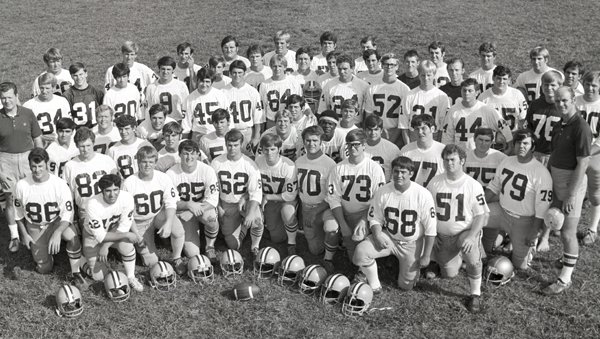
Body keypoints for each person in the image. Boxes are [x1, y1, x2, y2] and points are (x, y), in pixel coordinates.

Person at [353, 156, 436, 292]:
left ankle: (409, 269)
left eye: (403, 172)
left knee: (405, 286)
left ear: (411, 173)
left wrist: (426, 255)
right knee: (361, 252)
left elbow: (431, 229)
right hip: (389, 237)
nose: (399, 175)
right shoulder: (383, 191)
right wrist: (377, 235)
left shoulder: (423, 194)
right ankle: (374, 285)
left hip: (411, 243)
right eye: (396, 171)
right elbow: (375, 218)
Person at [427, 144, 489, 313]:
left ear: (462, 161)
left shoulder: (472, 184)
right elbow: (427, 212)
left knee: (471, 252)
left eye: (453, 159)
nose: (449, 163)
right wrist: (432, 237)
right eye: (446, 160)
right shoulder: (435, 181)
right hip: (443, 236)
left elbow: (481, 215)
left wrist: (471, 236)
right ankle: (457, 257)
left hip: (464, 232)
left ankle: (475, 293)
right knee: (449, 274)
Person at [543, 86, 592, 295]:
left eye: (564, 100)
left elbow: (583, 163)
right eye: (557, 102)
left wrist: (571, 194)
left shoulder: (581, 127)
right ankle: (566, 260)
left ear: (573, 100)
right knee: (558, 225)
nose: (561, 105)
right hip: (556, 180)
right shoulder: (561, 123)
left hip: (571, 183)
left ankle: (565, 279)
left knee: (567, 232)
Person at [14, 148, 85, 286]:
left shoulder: (59, 184)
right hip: (35, 225)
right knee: (44, 269)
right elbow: (18, 214)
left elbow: (67, 213)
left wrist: (58, 232)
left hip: (56, 222)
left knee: (73, 238)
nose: (37, 170)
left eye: (40, 166)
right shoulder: (21, 185)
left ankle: (76, 271)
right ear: (29, 165)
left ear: (47, 164)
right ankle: (46, 252)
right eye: (33, 166)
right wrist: (24, 234)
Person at [485, 129, 552, 268]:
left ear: (533, 146)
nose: (521, 146)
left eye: (526, 143)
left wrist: (534, 231)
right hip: (501, 211)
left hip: (524, 220)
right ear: (514, 144)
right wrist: (478, 207)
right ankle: (497, 238)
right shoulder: (506, 161)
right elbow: (494, 187)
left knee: (520, 265)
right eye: (518, 143)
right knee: (472, 218)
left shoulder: (541, 172)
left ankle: (526, 250)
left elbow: (542, 207)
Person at [325, 129, 385, 264]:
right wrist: (343, 224)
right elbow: (334, 199)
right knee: (330, 228)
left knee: (358, 250)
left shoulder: (374, 168)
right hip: (343, 211)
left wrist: (364, 220)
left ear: (364, 145)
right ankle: (329, 257)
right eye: (350, 144)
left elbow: (378, 200)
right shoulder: (338, 168)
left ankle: (363, 267)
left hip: (366, 213)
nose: (353, 147)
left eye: (357, 144)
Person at [123, 146, 186, 273]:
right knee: (151, 262)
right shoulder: (129, 182)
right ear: (138, 162)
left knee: (177, 229)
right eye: (144, 162)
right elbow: (126, 214)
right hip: (138, 221)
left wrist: (168, 224)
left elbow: (171, 202)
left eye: (151, 162)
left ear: (155, 163)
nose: (147, 165)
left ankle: (177, 257)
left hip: (157, 215)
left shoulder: (163, 178)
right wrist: (136, 233)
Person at [0, 82, 43, 252]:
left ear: (17, 96)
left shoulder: (28, 113)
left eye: (9, 97)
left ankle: (36, 229)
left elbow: (37, 138)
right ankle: (15, 236)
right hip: (6, 160)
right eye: (3, 98)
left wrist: (39, 159)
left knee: (31, 195)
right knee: (10, 198)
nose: (6, 101)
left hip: (27, 157)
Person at [82, 173, 144, 291]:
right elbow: (100, 236)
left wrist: (105, 247)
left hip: (114, 230)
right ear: (102, 191)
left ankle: (131, 276)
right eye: (108, 190)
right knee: (98, 277)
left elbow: (124, 226)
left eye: (116, 189)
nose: (112, 194)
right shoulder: (93, 204)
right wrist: (126, 235)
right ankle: (81, 260)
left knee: (127, 246)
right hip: (92, 236)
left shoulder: (126, 198)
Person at [211, 129, 263, 254]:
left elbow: (255, 192)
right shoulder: (217, 162)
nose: (232, 148)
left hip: (244, 202)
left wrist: (250, 212)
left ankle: (254, 246)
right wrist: (218, 207)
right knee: (233, 245)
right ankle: (244, 229)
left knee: (256, 220)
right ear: (225, 143)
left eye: (235, 145)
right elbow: (212, 190)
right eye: (229, 145)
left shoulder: (250, 164)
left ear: (241, 144)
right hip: (226, 203)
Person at [167, 140, 220, 262]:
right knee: (193, 254)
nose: (189, 157)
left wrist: (192, 210)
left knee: (211, 220)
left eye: (192, 153)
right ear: (179, 155)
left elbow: (213, 200)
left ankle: (209, 245)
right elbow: (170, 202)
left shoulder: (207, 170)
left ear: (198, 154)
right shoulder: (171, 173)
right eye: (185, 153)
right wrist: (188, 205)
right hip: (182, 211)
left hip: (203, 207)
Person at [295, 126, 338, 265]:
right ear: (303, 141)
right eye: (308, 140)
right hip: (307, 207)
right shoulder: (299, 161)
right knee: (315, 250)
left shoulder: (330, 164)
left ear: (321, 142)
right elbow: (298, 191)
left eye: (315, 140)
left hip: (325, 208)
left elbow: (333, 195)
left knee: (331, 228)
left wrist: (315, 211)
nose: (311, 144)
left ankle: (329, 258)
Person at [464, 128, 507, 254]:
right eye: (480, 140)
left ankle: (503, 234)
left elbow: (504, 186)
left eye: (487, 140)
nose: (483, 143)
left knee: (488, 248)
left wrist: (486, 201)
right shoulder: (465, 156)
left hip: (492, 200)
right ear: (474, 140)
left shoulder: (501, 158)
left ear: (492, 142)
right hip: (470, 200)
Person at [62, 127, 118, 223]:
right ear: (76, 146)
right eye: (82, 146)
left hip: (108, 207)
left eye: (88, 145)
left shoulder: (106, 160)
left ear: (93, 143)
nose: (86, 149)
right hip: (85, 211)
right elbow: (68, 196)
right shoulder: (70, 166)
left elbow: (116, 187)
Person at [255, 133, 299, 254]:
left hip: (284, 200)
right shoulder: (258, 161)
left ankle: (292, 243)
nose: (269, 153)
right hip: (268, 201)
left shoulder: (288, 165)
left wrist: (268, 196)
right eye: (266, 149)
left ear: (279, 149)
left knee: (287, 213)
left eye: (273, 149)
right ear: (262, 150)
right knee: (277, 238)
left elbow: (291, 195)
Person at [442, 78, 513, 152]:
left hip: (481, 154)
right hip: (460, 154)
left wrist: (509, 145)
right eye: (464, 90)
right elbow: (447, 137)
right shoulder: (453, 111)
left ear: (477, 92)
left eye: (470, 91)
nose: (466, 93)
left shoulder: (486, 110)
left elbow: (504, 127)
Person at [363, 53, 410, 146]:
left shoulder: (404, 89)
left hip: (397, 131)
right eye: (386, 64)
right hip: (376, 130)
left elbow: (404, 118)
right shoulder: (372, 87)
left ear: (397, 67)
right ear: (382, 65)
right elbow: (368, 114)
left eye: (392, 65)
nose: (389, 67)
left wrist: (393, 137)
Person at [401, 60, 449, 144]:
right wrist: (408, 145)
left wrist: (437, 145)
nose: (426, 78)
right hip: (414, 136)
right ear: (419, 75)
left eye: (429, 75)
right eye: (423, 75)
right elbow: (404, 125)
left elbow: (442, 126)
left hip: (434, 136)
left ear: (434, 75)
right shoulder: (409, 95)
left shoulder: (442, 97)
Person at [577, 71, 600, 245]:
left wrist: (587, 153)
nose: (590, 88)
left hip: (595, 153)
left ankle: (592, 228)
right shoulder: (575, 101)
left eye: (594, 85)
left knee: (595, 194)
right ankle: (565, 222)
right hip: (574, 150)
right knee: (568, 187)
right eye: (587, 83)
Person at [222, 61, 264, 154]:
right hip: (229, 132)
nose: (237, 75)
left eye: (240, 73)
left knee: (249, 160)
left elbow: (257, 117)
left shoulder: (252, 91)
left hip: (247, 132)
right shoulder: (223, 92)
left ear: (245, 73)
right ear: (230, 73)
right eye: (234, 73)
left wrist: (256, 137)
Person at [524, 70, 563, 166]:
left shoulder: (564, 106)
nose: (549, 88)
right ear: (541, 86)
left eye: (553, 85)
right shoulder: (534, 104)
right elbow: (528, 127)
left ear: (560, 86)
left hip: (555, 155)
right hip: (534, 152)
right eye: (546, 85)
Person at [349, 114, 401, 182]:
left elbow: (396, 174)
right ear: (364, 130)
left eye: (376, 129)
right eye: (369, 130)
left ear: (381, 130)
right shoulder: (357, 147)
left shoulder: (393, 149)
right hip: (361, 187)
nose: (373, 133)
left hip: (384, 187)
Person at [23, 73, 72, 146]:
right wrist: (40, 137)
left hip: (60, 143)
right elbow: (24, 130)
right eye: (42, 88)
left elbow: (69, 125)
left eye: (47, 88)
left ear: (53, 87)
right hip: (39, 144)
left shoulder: (62, 101)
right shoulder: (28, 105)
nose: (44, 91)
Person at [181, 67, 228, 143]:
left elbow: (228, 117)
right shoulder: (189, 99)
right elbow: (186, 123)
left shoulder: (220, 95)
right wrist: (185, 140)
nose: (204, 84)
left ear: (212, 82)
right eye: (201, 81)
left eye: (207, 81)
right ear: (197, 81)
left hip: (217, 133)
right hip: (198, 134)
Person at [399, 114, 445, 187]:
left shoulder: (443, 150)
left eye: (423, 128)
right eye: (417, 129)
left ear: (432, 129)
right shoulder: (406, 150)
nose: (420, 132)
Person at [318, 54, 369, 119]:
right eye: (339, 69)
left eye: (345, 69)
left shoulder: (363, 86)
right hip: (336, 125)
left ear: (352, 68)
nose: (342, 72)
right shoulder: (329, 85)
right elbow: (322, 110)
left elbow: (368, 111)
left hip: (356, 126)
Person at [479, 65, 528, 132]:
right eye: (498, 78)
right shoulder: (483, 97)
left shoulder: (517, 95)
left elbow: (523, 119)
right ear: (493, 78)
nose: (501, 82)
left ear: (509, 80)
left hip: (513, 135)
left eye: (504, 79)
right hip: (491, 138)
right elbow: (480, 121)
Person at [259, 55, 302, 128]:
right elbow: (263, 107)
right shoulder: (264, 84)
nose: (277, 69)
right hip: (272, 121)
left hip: (289, 121)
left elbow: (300, 103)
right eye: (274, 66)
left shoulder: (294, 82)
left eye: (280, 66)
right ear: (271, 67)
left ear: (285, 67)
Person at [107, 114, 153, 179]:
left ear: (134, 128)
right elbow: (112, 174)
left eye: (126, 129)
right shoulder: (113, 150)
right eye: (120, 129)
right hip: (125, 186)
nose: (123, 132)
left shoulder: (144, 145)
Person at [144, 56, 189, 122]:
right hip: (158, 124)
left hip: (176, 123)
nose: (165, 72)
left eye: (168, 69)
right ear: (159, 69)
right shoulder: (151, 87)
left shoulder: (181, 86)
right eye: (163, 69)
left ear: (173, 70)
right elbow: (149, 110)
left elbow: (186, 107)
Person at [63, 62, 104, 128]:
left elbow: (103, 112)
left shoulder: (97, 92)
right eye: (75, 75)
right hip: (77, 131)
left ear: (86, 74)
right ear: (71, 76)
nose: (79, 78)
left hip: (95, 130)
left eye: (81, 74)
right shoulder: (67, 95)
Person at [291, 47, 320, 114]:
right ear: (296, 60)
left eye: (305, 59)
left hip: (315, 111)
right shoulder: (291, 77)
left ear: (311, 60)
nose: (303, 61)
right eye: (300, 59)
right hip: (298, 113)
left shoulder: (317, 76)